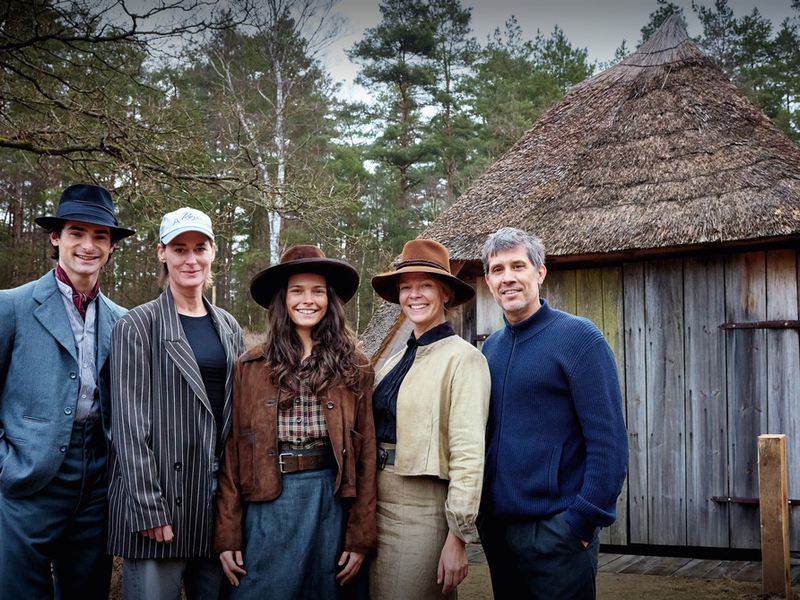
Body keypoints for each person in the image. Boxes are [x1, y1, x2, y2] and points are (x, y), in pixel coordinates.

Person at [214, 245, 377, 599]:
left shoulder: (356, 367)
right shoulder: (249, 366)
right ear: (282, 299)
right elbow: (232, 454)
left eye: (318, 291)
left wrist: (361, 534)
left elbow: (366, 459)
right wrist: (227, 533)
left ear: (330, 299)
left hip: (330, 502)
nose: (308, 300)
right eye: (297, 290)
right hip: (269, 502)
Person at [478, 226, 629, 600]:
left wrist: (581, 521)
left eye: (518, 266)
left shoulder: (579, 339)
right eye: (498, 270)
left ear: (540, 272)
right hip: (498, 532)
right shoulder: (489, 350)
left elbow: (609, 442)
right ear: (488, 280)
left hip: (557, 531)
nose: (508, 278)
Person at [0, 183, 135, 599]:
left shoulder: (123, 320)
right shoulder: (12, 307)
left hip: (95, 480)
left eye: (100, 236)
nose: (88, 245)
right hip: (26, 477)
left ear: (111, 246)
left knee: (87, 590)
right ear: (56, 237)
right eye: (77, 232)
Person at [107, 207, 245, 600]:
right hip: (160, 503)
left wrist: (235, 508)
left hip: (214, 504)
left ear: (213, 252)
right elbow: (129, 426)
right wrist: (148, 507)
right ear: (161, 253)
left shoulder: (229, 326)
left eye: (199, 248)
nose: (191, 259)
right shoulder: (137, 325)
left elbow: (234, 420)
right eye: (179, 249)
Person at [369, 239, 491, 599]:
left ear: (445, 294)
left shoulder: (464, 360)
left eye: (425, 285)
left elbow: (469, 454)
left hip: (422, 510)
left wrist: (458, 537)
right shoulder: (391, 362)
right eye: (406, 287)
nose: (413, 295)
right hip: (375, 502)